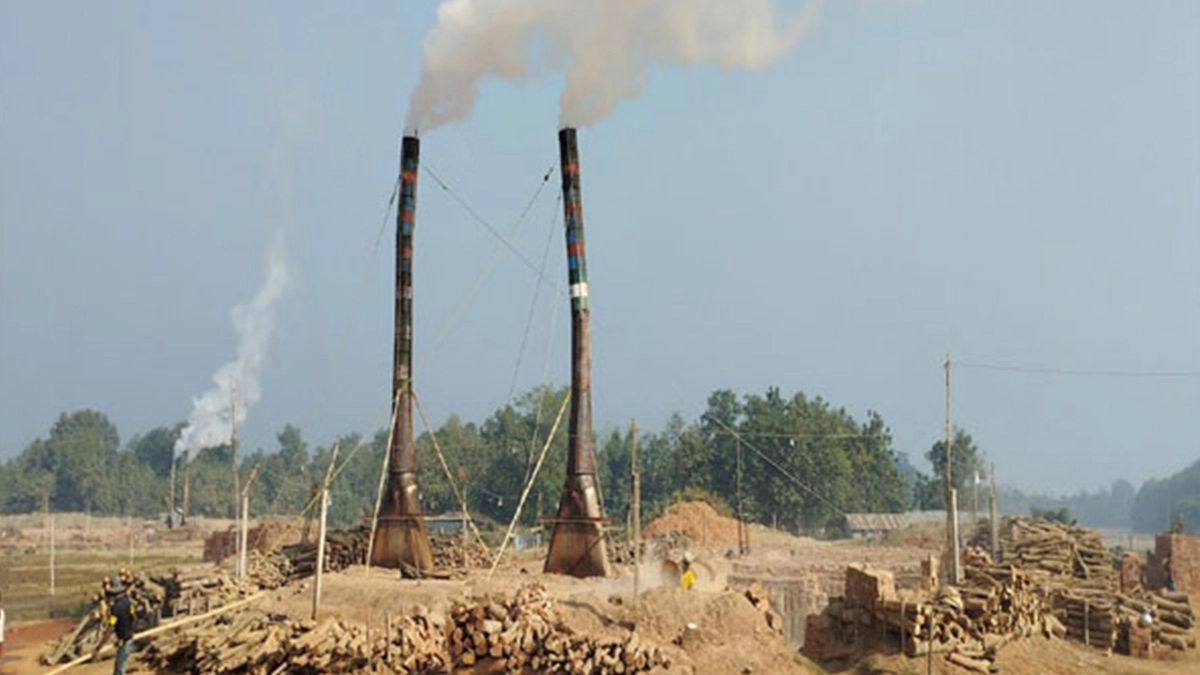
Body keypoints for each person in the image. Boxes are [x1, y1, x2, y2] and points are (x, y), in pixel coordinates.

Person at [91, 576, 135, 675]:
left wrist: (98, 648)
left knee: (119, 671)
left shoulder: (116, 609)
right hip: (125, 640)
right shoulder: (128, 602)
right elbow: (133, 617)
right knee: (118, 668)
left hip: (124, 641)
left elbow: (110, 629)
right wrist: (131, 631)